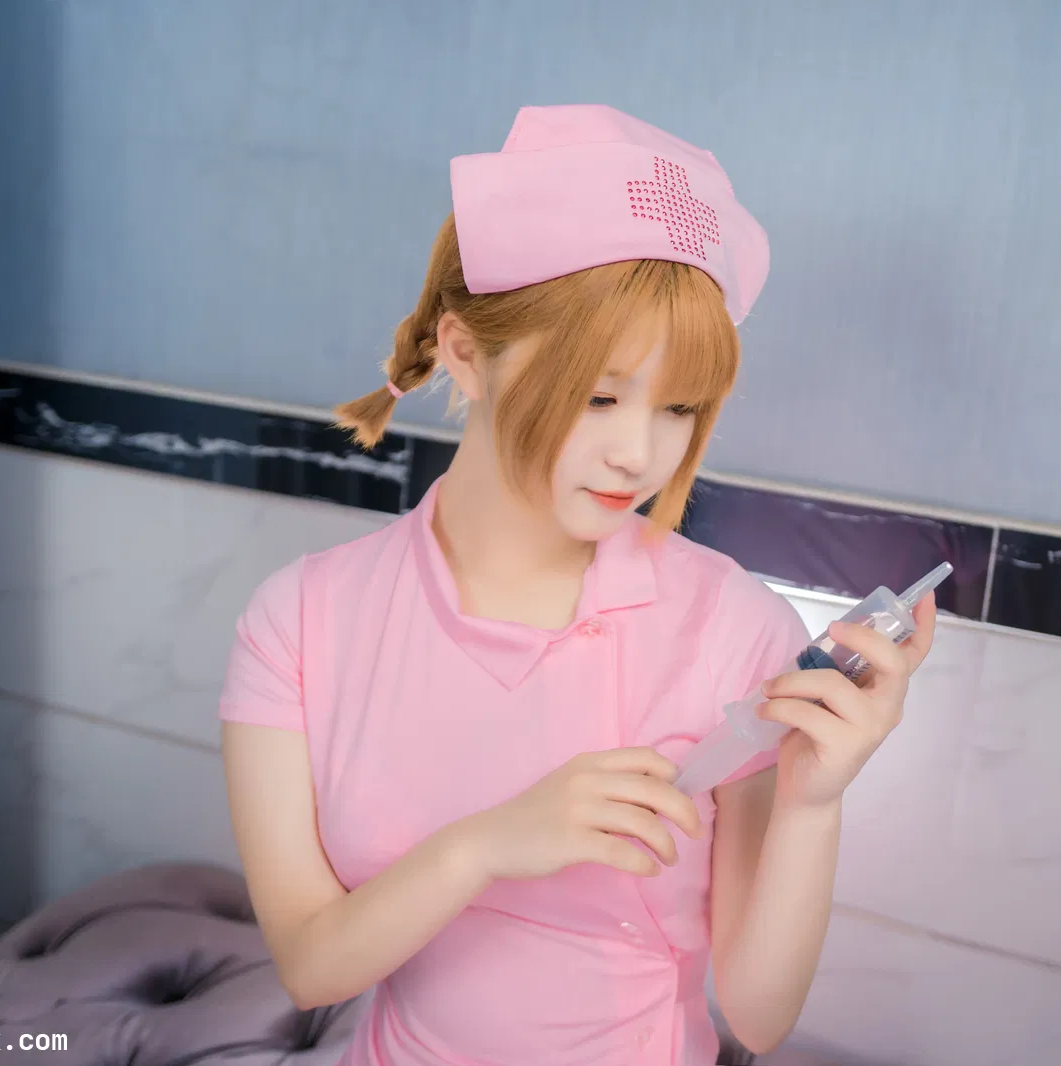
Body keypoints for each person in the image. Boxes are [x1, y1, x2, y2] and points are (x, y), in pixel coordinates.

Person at [217, 104, 938, 1066]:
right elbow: (311, 966)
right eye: (599, 396)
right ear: (465, 354)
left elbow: (759, 1019)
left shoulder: (731, 628)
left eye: (679, 408)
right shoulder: (301, 621)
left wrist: (812, 804)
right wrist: (485, 845)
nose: (639, 453)